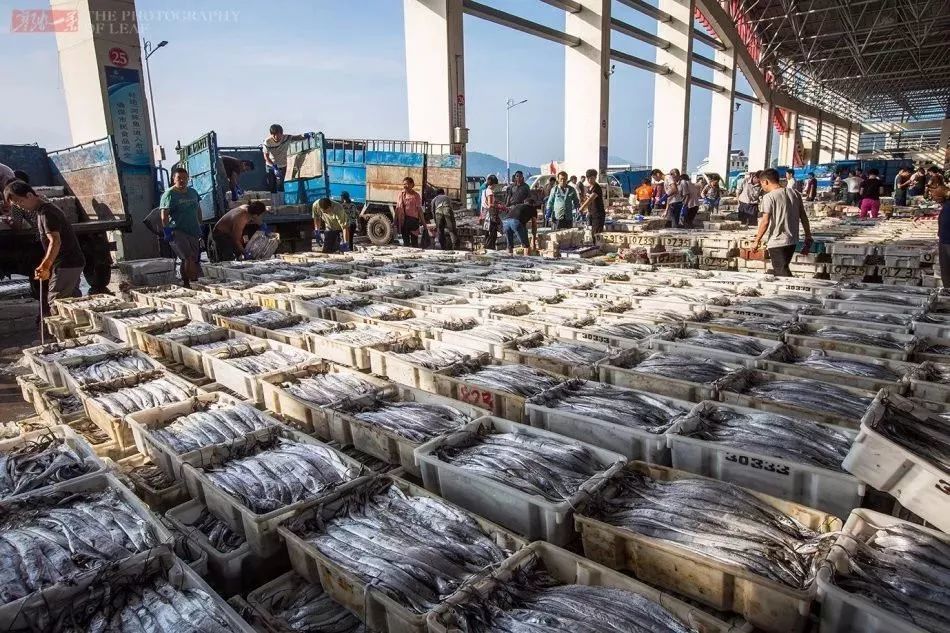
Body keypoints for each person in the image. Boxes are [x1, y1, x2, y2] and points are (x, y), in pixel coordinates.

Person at [3, 180, 85, 319]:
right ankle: (79, 334)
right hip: (68, 262)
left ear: (29, 195)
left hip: (67, 263)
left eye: (19, 202)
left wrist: (45, 265)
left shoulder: (47, 213)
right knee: (71, 301)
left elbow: (55, 241)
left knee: (56, 302)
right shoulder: (42, 211)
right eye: (16, 205)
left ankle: (65, 336)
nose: (20, 207)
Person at [752, 169, 812, 278]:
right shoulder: (794, 193)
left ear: (765, 182)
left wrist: (757, 240)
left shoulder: (769, 197)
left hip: (777, 241)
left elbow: (765, 221)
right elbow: (803, 216)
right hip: (792, 240)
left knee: (781, 271)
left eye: (761, 183)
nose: (762, 187)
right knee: (782, 268)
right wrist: (808, 235)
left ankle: (791, 292)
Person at [159, 167, 203, 287]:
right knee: (186, 256)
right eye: (179, 178)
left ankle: (190, 281)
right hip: (178, 230)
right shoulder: (169, 194)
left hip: (193, 229)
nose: (182, 181)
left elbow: (198, 209)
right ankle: (188, 282)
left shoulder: (193, 192)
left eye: (185, 178)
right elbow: (164, 215)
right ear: (174, 179)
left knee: (193, 257)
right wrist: (167, 231)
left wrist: (200, 224)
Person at [262, 124, 305, 192]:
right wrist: (274, 166)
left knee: (281, 184)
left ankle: (281, 200)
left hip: (283, 165)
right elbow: (266, 156)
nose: (276, 137)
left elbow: (298, 137)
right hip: (271, 165)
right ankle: (274, 201)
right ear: (271, 134)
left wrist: (306, 135)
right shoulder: (267, 142)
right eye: (274, 135)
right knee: (272, 184)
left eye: (278, 135)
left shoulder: (286, 138)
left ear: (282, 134)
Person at [395, 176, 424, 248]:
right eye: (404, 184)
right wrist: (395, 221)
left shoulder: (416, 196)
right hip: (403, 221)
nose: (405, 186)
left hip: (413, 221)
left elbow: (419, 210)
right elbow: (397, 208)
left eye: (407, 184)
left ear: (412, 184)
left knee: (414, 242)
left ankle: (415, 257)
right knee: (406, 243)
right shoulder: (400, 195)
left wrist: (424, 223)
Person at [932, 175, 950, 291]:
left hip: (946, 241)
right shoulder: (946, 206)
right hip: (945, 240)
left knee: (947, 271)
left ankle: (948, 291)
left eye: (935, 198)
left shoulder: (947, 208)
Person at [578, 169, 606, 237]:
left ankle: (598, 247)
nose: (590, 180)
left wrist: (581, 208)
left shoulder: (597, 188)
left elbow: (590, 199)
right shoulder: (589, 188)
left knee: (596, 234)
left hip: (598, 214)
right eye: (588, 178)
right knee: (591, 233)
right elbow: (586, 199)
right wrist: (585, 209)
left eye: (592, 178)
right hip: (591, 214)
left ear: (595, 178)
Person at [480, 175, 501, 249]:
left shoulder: (484, 191)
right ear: (493, 184)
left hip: (484, 214)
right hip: (490, 216)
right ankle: (490, 249)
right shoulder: (490, 192)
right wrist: (499, 206)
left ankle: (486, 248)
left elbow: (484, 204)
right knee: (492, 234)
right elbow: (490, 205)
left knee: (487, 234)